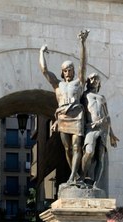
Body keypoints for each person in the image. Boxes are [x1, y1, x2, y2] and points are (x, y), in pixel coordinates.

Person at [39, 30, 89, 184]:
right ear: (62, 72)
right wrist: (41, 52)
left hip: (76, 116)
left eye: (71, 70)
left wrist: (82, 43)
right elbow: (45, 71)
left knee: (76, 146)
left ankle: (72, 176)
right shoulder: (58, 85)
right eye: (66, 70)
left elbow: (83, 63)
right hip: (63, 117)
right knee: (67, 149)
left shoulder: (78, 83)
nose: (68, 72)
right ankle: (75, 175)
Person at [81, 73, 119, 188]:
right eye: (92, 78)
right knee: (89, 151)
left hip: (103, 128)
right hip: (91, 127)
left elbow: (107, 116)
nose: (94, 80)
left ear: (99, 82)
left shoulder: (102, 97)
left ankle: (96, 183)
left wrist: (112, 134)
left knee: (100, 157)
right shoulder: (84, 95)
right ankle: (82, 176)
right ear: (88, 81)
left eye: (96, 79)